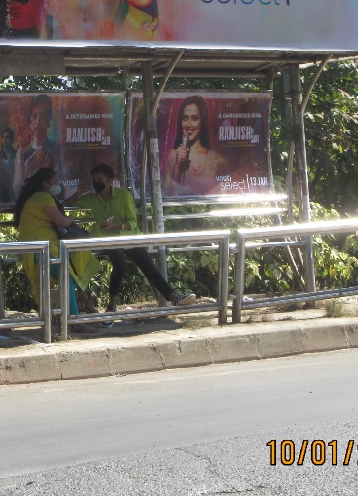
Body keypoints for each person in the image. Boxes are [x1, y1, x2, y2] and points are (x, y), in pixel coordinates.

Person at [68, 163, 196, 313]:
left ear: (109, 181)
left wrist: (116, 226)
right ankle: (111, 303)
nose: (96, 182)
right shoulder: (92, 199)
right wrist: (78, 193)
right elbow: (65, 205)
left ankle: (174, 297)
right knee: (119, 264)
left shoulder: (124, 196)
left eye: (99, 179)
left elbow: (132, 222)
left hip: (129, 238)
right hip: (110, 241)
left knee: (147, 265)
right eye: (94, 179)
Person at [13, 168, 100, 327]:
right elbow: (60, 220)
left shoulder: (40, 197)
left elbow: (57, 208)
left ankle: (83, 299)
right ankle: (75, 320)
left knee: (80, 255)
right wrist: (71, 219)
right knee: (66, 276)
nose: (57, 185)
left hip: (42, 247)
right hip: (42, 248)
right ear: (45, 184)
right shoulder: (43, 197)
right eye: (55, 182)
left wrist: (76, 195)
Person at [161, 95, 229, 196]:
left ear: (203, 121)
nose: (189, 124)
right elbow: (166, 194)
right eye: (185, 118)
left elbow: (224, 193)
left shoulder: (217, 160)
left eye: (195, 118)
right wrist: (177, 166)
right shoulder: (170, 156)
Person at [13, 94, 60, 197]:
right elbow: (17, 188)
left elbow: (58, 186)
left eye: (43, 116)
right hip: (28, 202)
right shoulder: (22, 152)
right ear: (29, 119)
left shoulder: (54, 148)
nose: (37, 121)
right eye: (34, 116)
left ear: (49, 120)